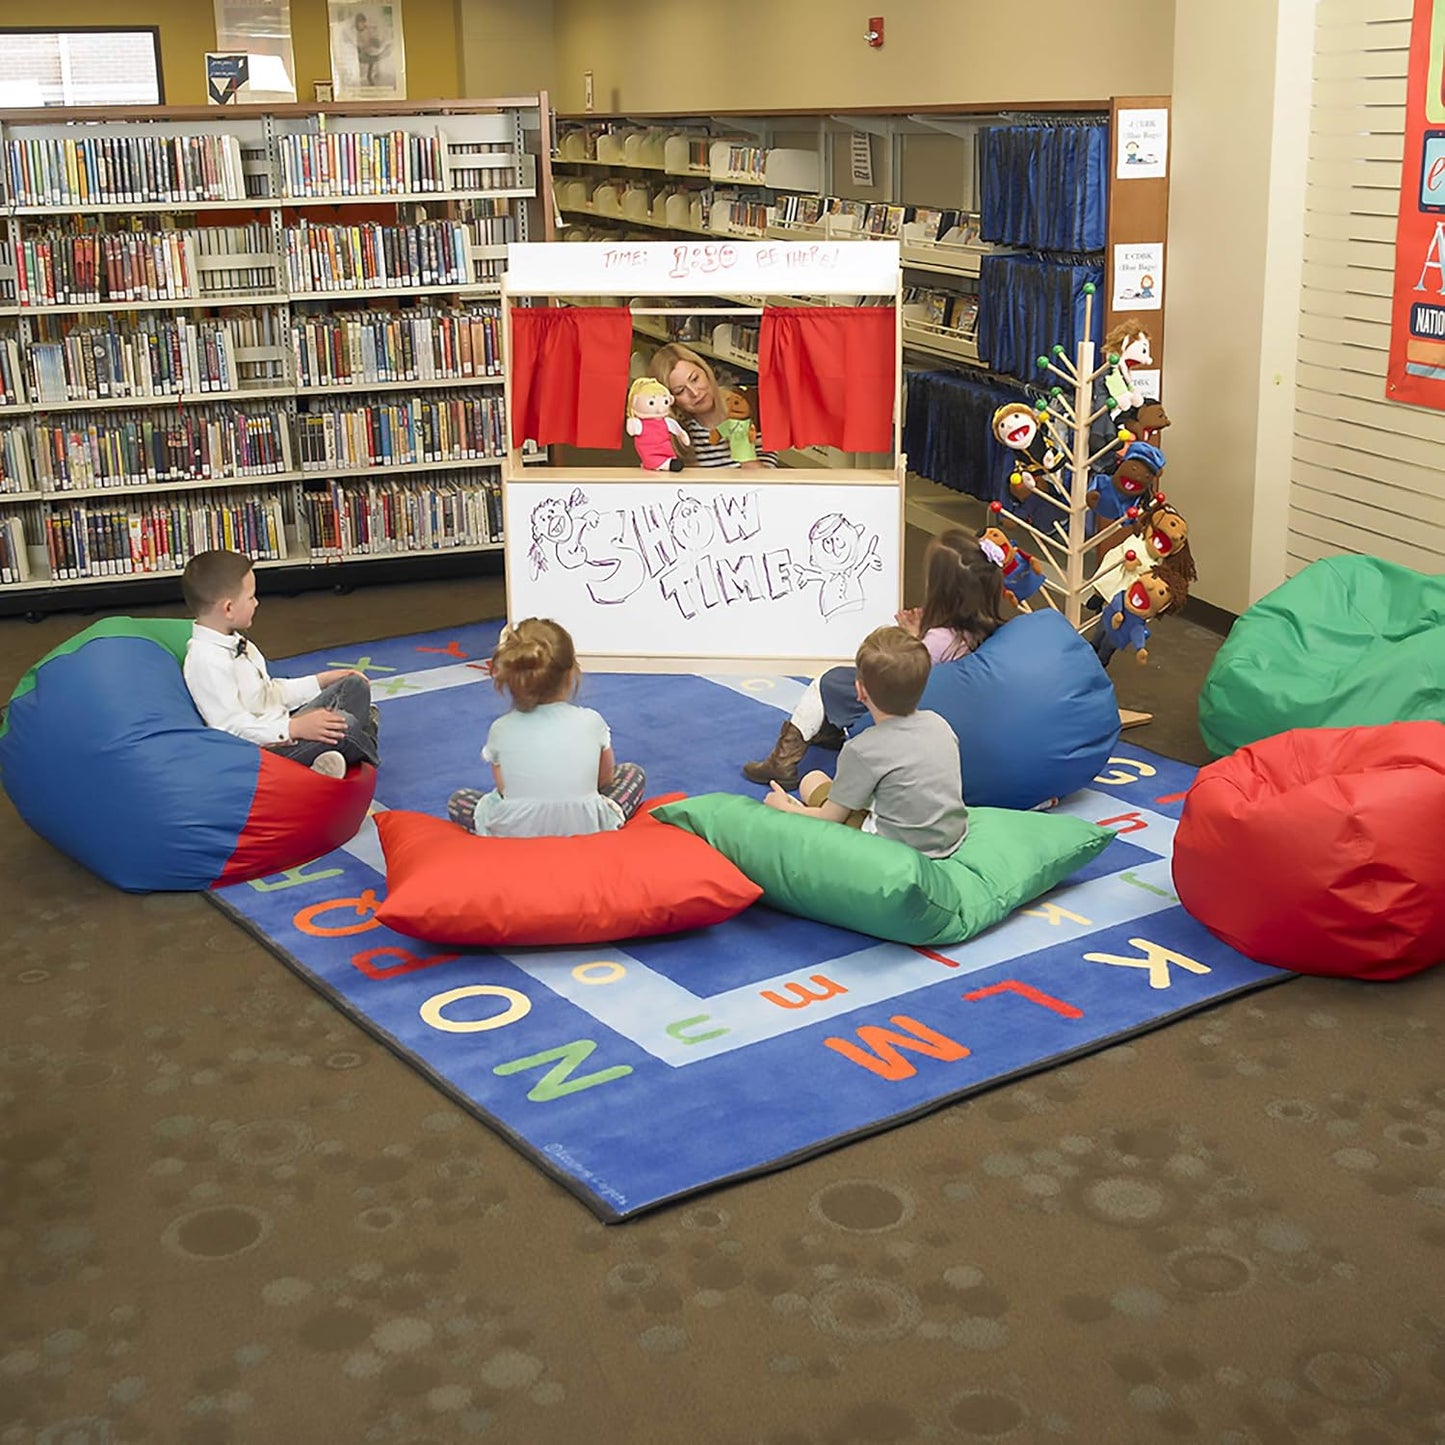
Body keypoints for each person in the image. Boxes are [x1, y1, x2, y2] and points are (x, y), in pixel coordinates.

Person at [743, 529, 1008, 788]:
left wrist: (911, 636)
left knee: (825, 682)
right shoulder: (984, 629)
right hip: (939, 710)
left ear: (942, 590)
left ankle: (782, 762)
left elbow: (908, 674)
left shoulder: (939, 638)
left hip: (904, 705)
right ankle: (828, 730)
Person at [762, 625, 968, 859]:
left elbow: (831, 819)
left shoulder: (861, 749)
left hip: (894, 849)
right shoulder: (940, 724)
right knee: (821, 784)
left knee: (811, 781)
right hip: (950, 839)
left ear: (860, 691)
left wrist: (784, 808)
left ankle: (797, 810)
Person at [182, 549, 378, 779]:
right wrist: (293, 729)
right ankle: (359, 748)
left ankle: (327, 761)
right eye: (251, 597)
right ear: (228, 608)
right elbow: (230, 729)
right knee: (346, 724)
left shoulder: (237, 642)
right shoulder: (206, 661)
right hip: (265, 751)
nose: (257, 603)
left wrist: (321, 681)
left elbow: (270, 692)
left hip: (282, 724)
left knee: (353, 685)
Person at [447, 617, 647, 837]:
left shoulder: (500, 728)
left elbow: (506, 791)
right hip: (586, 828)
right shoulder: (591, 721)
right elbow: (605, 779)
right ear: (571, 672)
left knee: (460, 800)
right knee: (632, 774)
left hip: (518, 833)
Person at [648, 342, 779, 469]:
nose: (694, 393)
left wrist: (742, 449)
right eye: (680, 391)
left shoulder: (745, 407)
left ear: (706, 371)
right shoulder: (679, 436)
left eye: (695, 379)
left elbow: (769, 485)